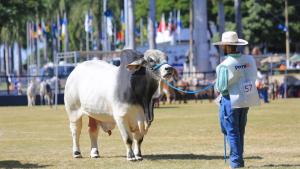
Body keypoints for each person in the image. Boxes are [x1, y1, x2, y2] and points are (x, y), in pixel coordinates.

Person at [213, 31, 260, 168]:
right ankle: (239, 159)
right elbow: (253, 76)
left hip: (230, 99)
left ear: (227, 46)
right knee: (240, 130)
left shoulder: (225, 65)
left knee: (231, 131)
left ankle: (236, 162)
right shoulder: (249, 60)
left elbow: (221, 87)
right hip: (246, 98)